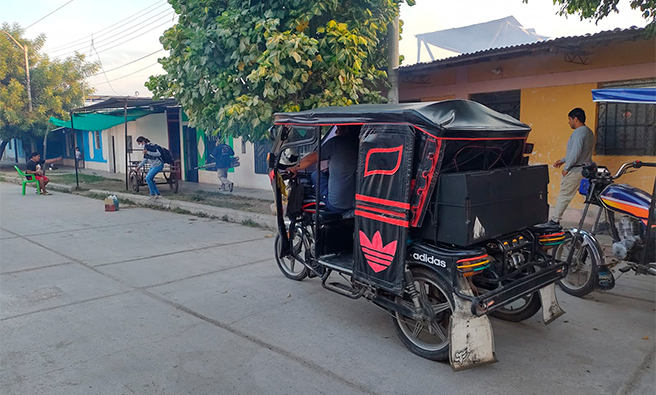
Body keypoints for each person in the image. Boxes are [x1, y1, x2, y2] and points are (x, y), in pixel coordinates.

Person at [288, 125, 359, 213]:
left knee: (315, 175)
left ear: (346, 129)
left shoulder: (336, 143)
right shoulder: (361, 144)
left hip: (336, 204)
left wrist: (294, 168)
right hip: (356, 204)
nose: (336, 132)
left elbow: (309, 160)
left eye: (338, 129)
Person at [548, 107, 595, 225]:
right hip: (587, 168)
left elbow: (576, 152)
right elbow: (579, 152)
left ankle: (554, 220)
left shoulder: (578, 133)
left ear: (576, 119)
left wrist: (566, 167)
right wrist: (563, 160)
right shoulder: (589, 132)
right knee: (592, 196)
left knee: (564, 195)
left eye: (569, 119)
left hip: (575, 170)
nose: (569, 122)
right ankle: (604, 221)